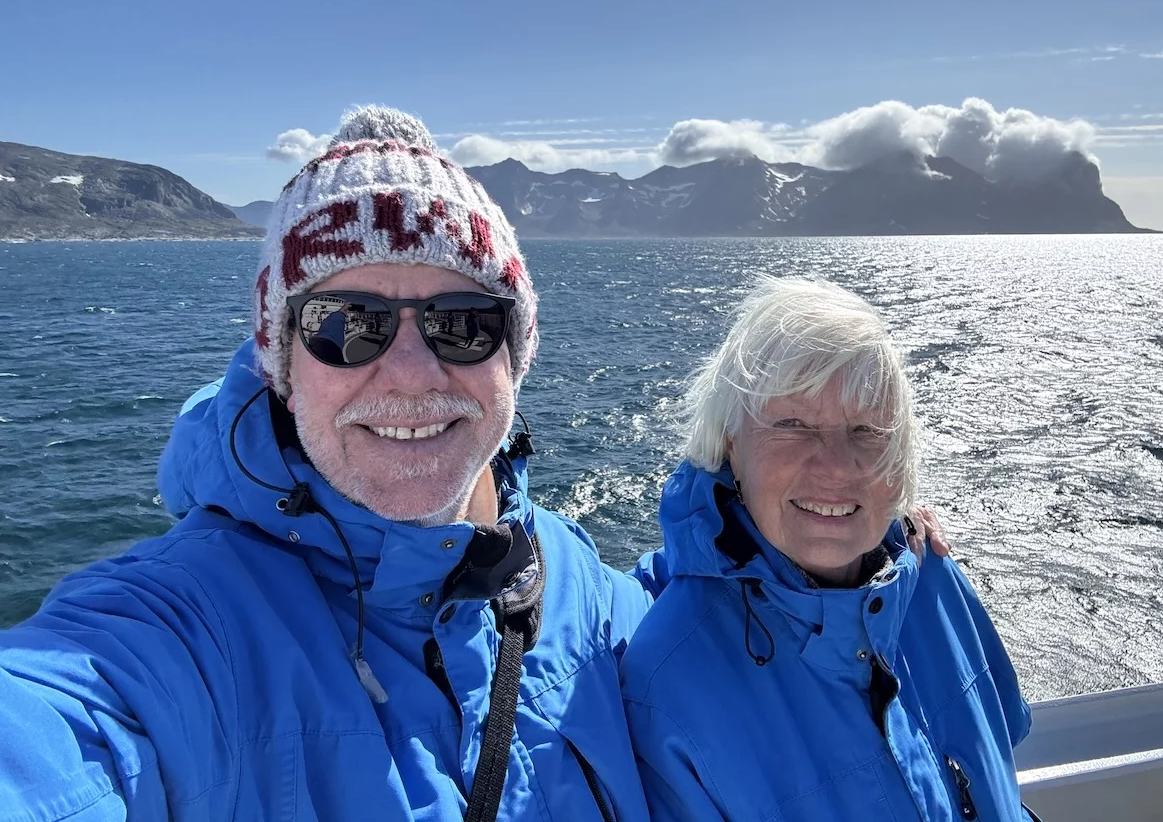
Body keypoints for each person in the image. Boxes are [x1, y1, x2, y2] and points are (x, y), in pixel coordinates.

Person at [0, 108, 950, 820]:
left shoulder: (577, 589)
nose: (413, 374)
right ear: (282, 363)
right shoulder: (172, 636)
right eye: (348, 326)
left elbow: (709, 619)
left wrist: (846, 551)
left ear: (514, 357)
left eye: (462, 324)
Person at [620, 276, 1032, 821]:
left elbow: (1000, 769)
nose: (837, 467)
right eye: (792, 425)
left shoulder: (932, 577)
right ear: (730, 445)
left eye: (867, 430)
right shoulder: (670, 681)